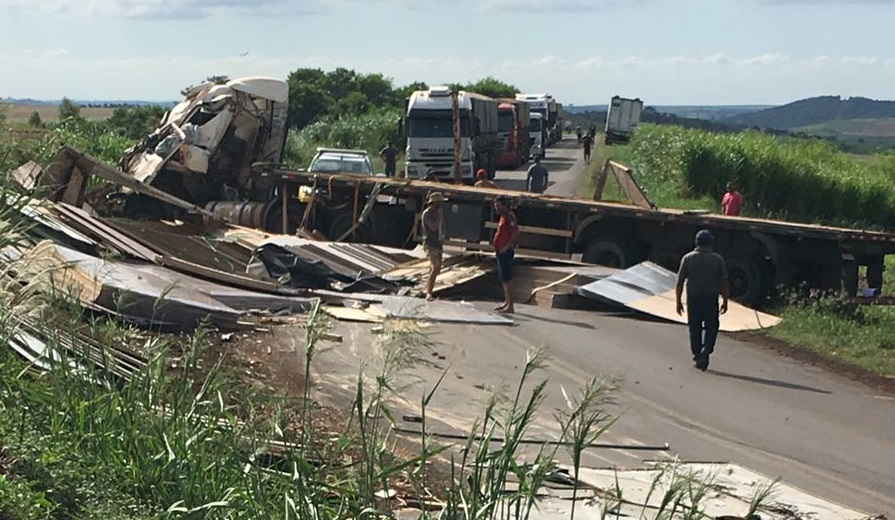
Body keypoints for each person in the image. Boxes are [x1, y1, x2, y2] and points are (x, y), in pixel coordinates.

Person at [675, 230, 730, 371]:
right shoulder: (717, 259)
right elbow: (724, 282)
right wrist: (725, 301)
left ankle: (697, 354)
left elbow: (680, 282)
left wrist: (678, 301)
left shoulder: (688, 258)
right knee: (712, 326)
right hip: (711, 298)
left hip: (693, 298)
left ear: (696, 242)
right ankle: (707, 349)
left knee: (695, 327)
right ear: (710, 243)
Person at [493, 196, 519, 313]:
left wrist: (507, 246)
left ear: (504, 205)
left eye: (498, 206)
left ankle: (511, 306)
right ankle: (507, 302)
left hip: (505, 251)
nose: (496, 208)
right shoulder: (503, 216)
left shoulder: (509, 216)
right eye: (495, 206)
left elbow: (515, 231)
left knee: (507, 279)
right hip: (500, 251)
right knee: (503, 279)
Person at [421, 192, 446, 301]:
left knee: (436, 268)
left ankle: (428, 288)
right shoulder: (428, 214)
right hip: (430, 243)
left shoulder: (439, 213)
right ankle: (429, 293)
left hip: (438, 243)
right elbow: (433, 227)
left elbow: (441, 228)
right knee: (435, 266)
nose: (441, 204)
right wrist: (439, 217)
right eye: (439, 202)